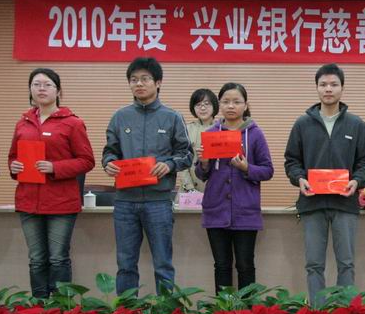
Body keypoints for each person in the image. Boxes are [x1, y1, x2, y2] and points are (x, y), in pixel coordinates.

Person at [284, 63, 365, 305]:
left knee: (347, 263)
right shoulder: (303, 124)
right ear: (316, 88)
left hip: (345, 203)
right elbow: (292, 161)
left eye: (334, 84)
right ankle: (318, 313)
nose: (328, 89)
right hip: (312, 203)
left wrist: (357, 181)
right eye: (323, 84)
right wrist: (299, 178)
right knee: (314, 264)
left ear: (342, 88)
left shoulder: (355, 124)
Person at [102, 57, 191, 294]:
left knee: (163, 264)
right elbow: (110, 151)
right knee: (125, 265)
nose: (139, 84)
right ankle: (127, 313)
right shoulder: (120, 117)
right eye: (134, 80)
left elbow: (186, 154)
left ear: (158, 83)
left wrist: (169, 165)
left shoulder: (172, 117)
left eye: (145, 79)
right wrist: (109, 163)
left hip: (158, 201)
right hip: (125, 202)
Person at [7, 68, 94, 298]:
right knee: (36, 259)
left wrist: (55, 167)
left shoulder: (72, 123)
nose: (41, 89)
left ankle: (61, 308)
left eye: (47, 85)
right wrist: (14, 167)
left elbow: (87, 161)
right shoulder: (22, 123)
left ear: (58, 91)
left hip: (61, 203)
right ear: (30, 90)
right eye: (36, 84)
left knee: (58, 258)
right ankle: (39, 306)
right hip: (29, 201)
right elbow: (13, 157)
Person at [195, 83, 273, 292]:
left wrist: (247, 168)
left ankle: (248, 310)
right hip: (216, 210)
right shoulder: (211, 133)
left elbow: (268, 170)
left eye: (236, 102)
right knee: (221, 266)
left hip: (245, 212)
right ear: (219, 105)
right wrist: (203, 163)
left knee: (245, 265)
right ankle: (224, 310)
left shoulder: (255, 134)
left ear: (245, 105)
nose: (231, 106)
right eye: (226, 102)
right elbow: (201, 174)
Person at [177, 89, 218, 193]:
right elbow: (182, 160)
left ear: (214, 106)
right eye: (198, 104)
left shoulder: (222, 129)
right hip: (189, 189)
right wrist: (189, 187)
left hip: (215, 189)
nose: (202, 108)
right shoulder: (186, 129)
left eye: (207, 104)